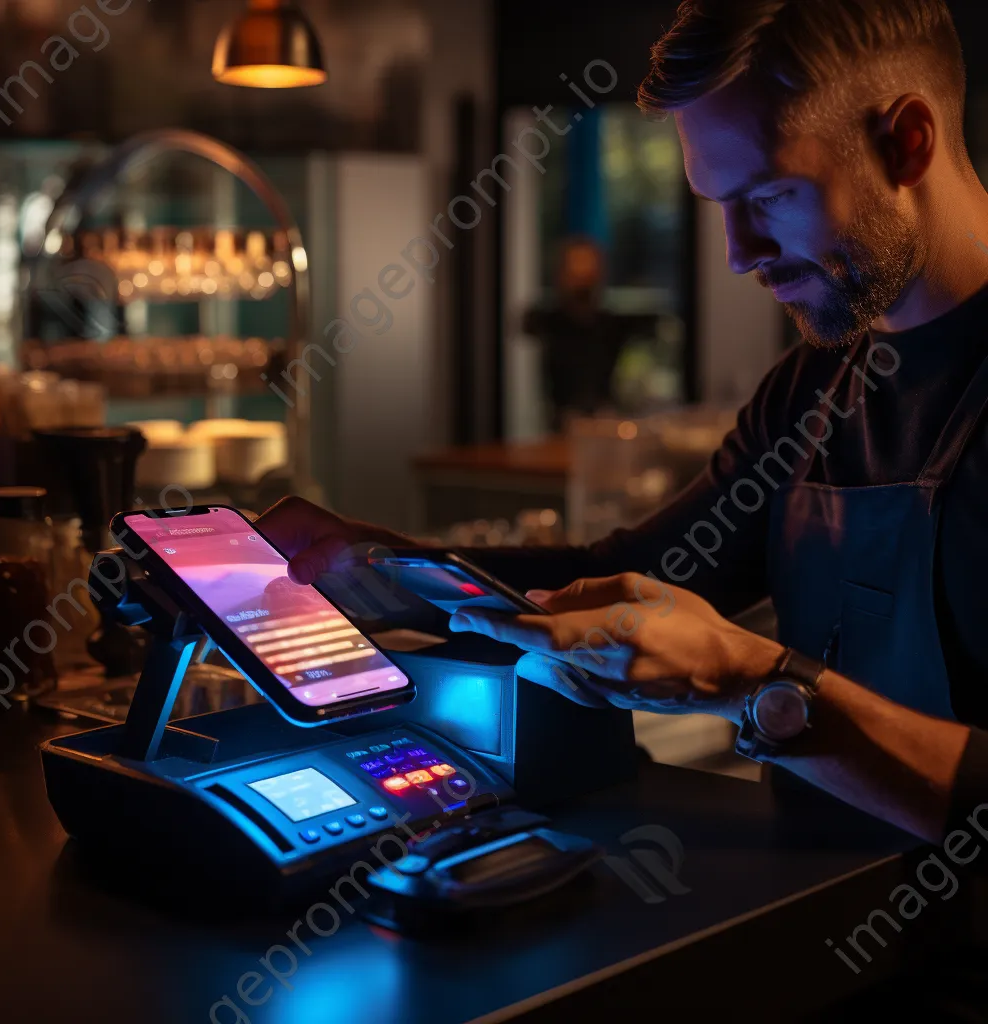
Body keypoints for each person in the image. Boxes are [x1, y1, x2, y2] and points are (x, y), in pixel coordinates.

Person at [257, 0, 988, 850]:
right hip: (807, 943)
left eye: (772, 194)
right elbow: (626, 578)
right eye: (719, 203)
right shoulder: (813, 390)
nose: (738, 252)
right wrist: (373, 570)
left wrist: (758, 684)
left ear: (906, 142)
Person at [522, 237, 652, 430]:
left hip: (607, 422)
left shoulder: (614, 325)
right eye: (575, 271)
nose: (582, 279)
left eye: (588, 272)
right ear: (561, 275)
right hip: (558, 426)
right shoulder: (544, 322)